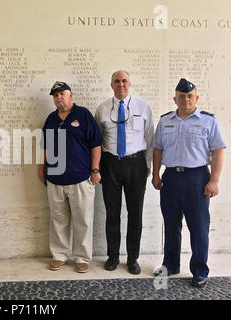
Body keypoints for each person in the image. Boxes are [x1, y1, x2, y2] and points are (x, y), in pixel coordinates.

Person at [152, 78, 226, 288]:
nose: (186, 99)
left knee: (199, 227)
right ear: (175, 99)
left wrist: (214, 180)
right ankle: (171, 264)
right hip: (171, 178)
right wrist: (156, 175)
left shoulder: (209, 120)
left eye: (190, 96)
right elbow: (157, 148)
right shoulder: (165, 120)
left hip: (197, 178)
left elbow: (218, 150)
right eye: (182, 96)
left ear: (196, 98)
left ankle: (200, 270)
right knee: (171, 224)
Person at [38, 81, 102, 273]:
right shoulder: (51, 118)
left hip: (81, 178)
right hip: (55, 179)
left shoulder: (83, 115)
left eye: (62, 94)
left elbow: (96, 144)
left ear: (70, 95)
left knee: (83, 220)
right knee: (58, 220)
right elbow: (45, 146)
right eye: (55, 95)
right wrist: (42, 167)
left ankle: (82, 258)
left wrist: (95, 170)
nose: (58, 97)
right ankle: (59, 255)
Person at [95, 70, 154, 275]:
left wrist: (148, 165)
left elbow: (150, 138)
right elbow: (97, 140)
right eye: (117, 81)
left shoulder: (143, 107)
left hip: (136, 164)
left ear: (130, 83)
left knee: (135, 213)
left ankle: (132, 258)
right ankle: (112, 256)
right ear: (111, 85)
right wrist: (98, 166)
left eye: (124, 81)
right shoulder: (102, 109)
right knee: (112, 213)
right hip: (110, 163)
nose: (121, 84)